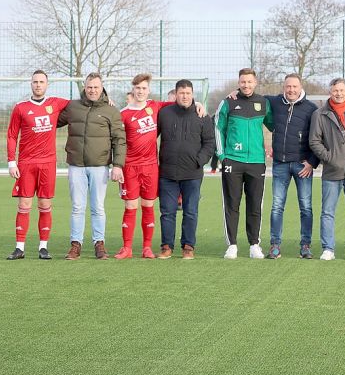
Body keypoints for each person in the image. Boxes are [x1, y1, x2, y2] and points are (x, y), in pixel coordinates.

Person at [57, 72, 126, 260]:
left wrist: (118, 165)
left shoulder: (111, 110)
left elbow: (120, 139)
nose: (92, 90)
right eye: (89, 87)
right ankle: (75, 244)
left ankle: (99, 244)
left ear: (102, 87)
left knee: (98, 207)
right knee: (77, 207)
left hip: (99, 166)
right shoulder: (72, 107)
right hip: (76, 165)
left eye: (96, 87)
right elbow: (52, 118)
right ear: (84, 88)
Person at [5, 70, 71, 260]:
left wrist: (105, 101)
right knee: (24, 204)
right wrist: (11, 162)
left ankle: (43, 247)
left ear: (47, 84)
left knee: (45, 204)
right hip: (26, 163)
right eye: (35, 82)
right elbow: (11, 135)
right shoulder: (20, 107)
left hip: (48, 163)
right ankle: (19, 248)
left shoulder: (56, 103)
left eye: (42, 82)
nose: (38, 85)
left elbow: (80, 104)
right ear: (30, 84)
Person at [155, 79, 215, 260]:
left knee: (190, 212)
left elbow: (209, 143)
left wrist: (200, 161)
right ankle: (166, 247)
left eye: (188, 93)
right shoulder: (164, 113)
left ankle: (188, 246)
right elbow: (151, 136)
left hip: (192, 173)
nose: (185, 96)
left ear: (192, 94)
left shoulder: (202, 116)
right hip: (167, 172)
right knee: (167, 212)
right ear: (175, 94)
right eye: (182, 93)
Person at [215, 67, 272, 259]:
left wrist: (272, 148)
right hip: (233, 160)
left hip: (257, 162)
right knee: (232, 204)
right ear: (238, 83)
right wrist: (223, 156)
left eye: (249, 82)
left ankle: (254, 244)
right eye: (243, 82)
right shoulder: (228, 102)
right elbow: (218, 128)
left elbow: (274, 125)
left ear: (255, 83)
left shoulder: (263, 103)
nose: (246, 85)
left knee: (255, 205)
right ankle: (232, 245)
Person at [265, 74, 319, 259]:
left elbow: (318, 137)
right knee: (277, 206)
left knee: (305, 207)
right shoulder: (274, 102)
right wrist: (235, 92)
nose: (291, 90)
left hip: (302, 165)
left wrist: (312, 162)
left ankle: (305, 245)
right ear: (283, 87)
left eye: (294, 87)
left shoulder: (311, 108)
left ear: (300, 87)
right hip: (280, 164)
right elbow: (251, 97)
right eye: (288, 86)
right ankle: (275, 245)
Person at [114, 73, 167, 259]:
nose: (141, 91)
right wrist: (118, 165)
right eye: (138, 88)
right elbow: (118, 142)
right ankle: (127, 248)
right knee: (130, 206)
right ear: (133, 90)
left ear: (148, 90)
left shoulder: (155, 106)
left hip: (151, 166)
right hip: (130, 167)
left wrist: (197, 104)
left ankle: (147, 248)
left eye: (144, 88)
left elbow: (178, 104)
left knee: (148, 205)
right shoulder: (123, 114)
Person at [309, 77, 345, 261]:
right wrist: (329, 158)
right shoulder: (320, 114)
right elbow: (314, 141)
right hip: (332, 171)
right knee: (327, 212)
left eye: (341, 90)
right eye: (335, 91)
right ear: (330, 92)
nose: (339, 94)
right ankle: (328, 249)